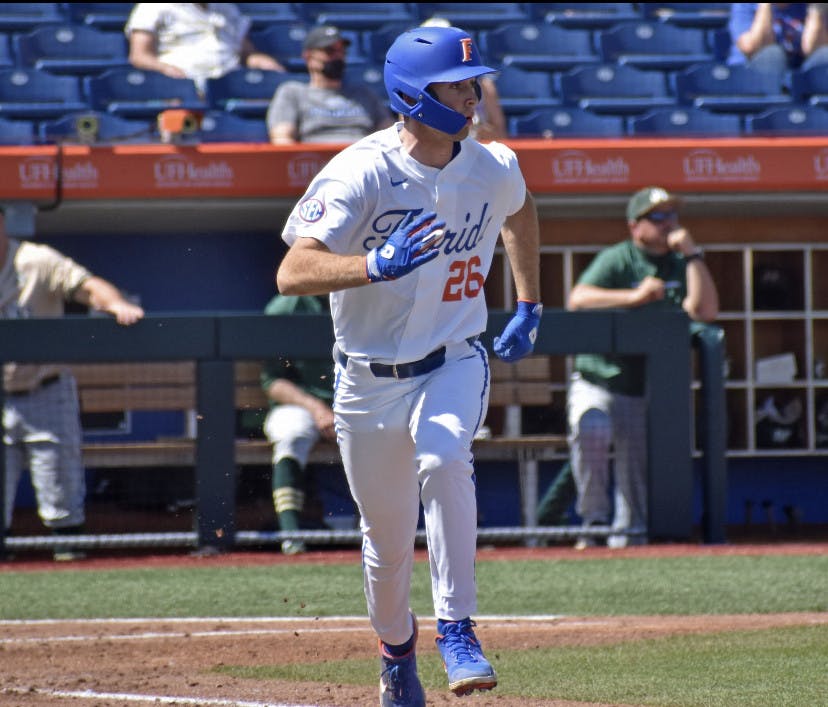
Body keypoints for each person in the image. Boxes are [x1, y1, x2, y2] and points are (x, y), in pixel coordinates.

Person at [275, 24, 542, 706]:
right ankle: (397, 652)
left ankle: (457, 627)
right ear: (412, 96)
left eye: (473, 80)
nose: (473, 94)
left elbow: (521, 209)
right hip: (366, 379)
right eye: (455, 84)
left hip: (455, 357)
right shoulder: (359, 170)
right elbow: (292, 270)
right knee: (385, 542)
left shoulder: (492, 163)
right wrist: (372, 263)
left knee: (444, 456)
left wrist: (529, 298)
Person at [566, 186, 719, 550]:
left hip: (646, 386)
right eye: (659, 217)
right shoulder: (619, 258)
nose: (669, 224)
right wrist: (633, 298)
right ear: (636, 226)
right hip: (598, 377)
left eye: (672, 216)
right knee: (593, 428)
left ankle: (627, 538)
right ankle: (594, 521)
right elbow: (578, 299)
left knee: (637, 467)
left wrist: (694, 255)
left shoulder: (682, 262)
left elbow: (705, 311)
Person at [1, 211, 145, 561]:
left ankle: (70, 568)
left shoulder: (34, 260)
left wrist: (115, 304)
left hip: (45, 390)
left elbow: (87, 285)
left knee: (62, 501)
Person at [260, 293, 336, 556]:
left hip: (358, 399)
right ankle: (291, 535)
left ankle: (380, 536)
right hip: (303, 405)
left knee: (388, 431)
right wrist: (317, 408)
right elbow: (273, 382)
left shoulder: (369, 293)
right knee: (290, 431)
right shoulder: (289, 305)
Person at [266, 24, 394, 144]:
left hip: (363, 160)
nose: (338, 56)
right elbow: (282, 138)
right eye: (329, 51)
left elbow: (391, 137)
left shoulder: (365, 94)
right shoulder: (292, 92)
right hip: (315, 162)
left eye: (341, 51)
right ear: (308, 56)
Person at [125, 3, 286, 95]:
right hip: (181, 85)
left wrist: (266, 64)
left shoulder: (226, 9)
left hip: (230, 83)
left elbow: (246, 53)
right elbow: (139, 56)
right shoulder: (154, 7)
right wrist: (166, 69)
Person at [419, 17, 507, 142]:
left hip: (476, 151)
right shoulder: (413, 88)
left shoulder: (485, 86)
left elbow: (500, 135)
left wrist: (476, 129)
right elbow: (411, 133)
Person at [727, 3, 828, 73]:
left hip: (799, 73)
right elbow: (750, 47)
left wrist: (816, 9)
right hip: (751, 74)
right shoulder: (745, 5)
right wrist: (765, 5)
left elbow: (816, 50)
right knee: (772, 55)